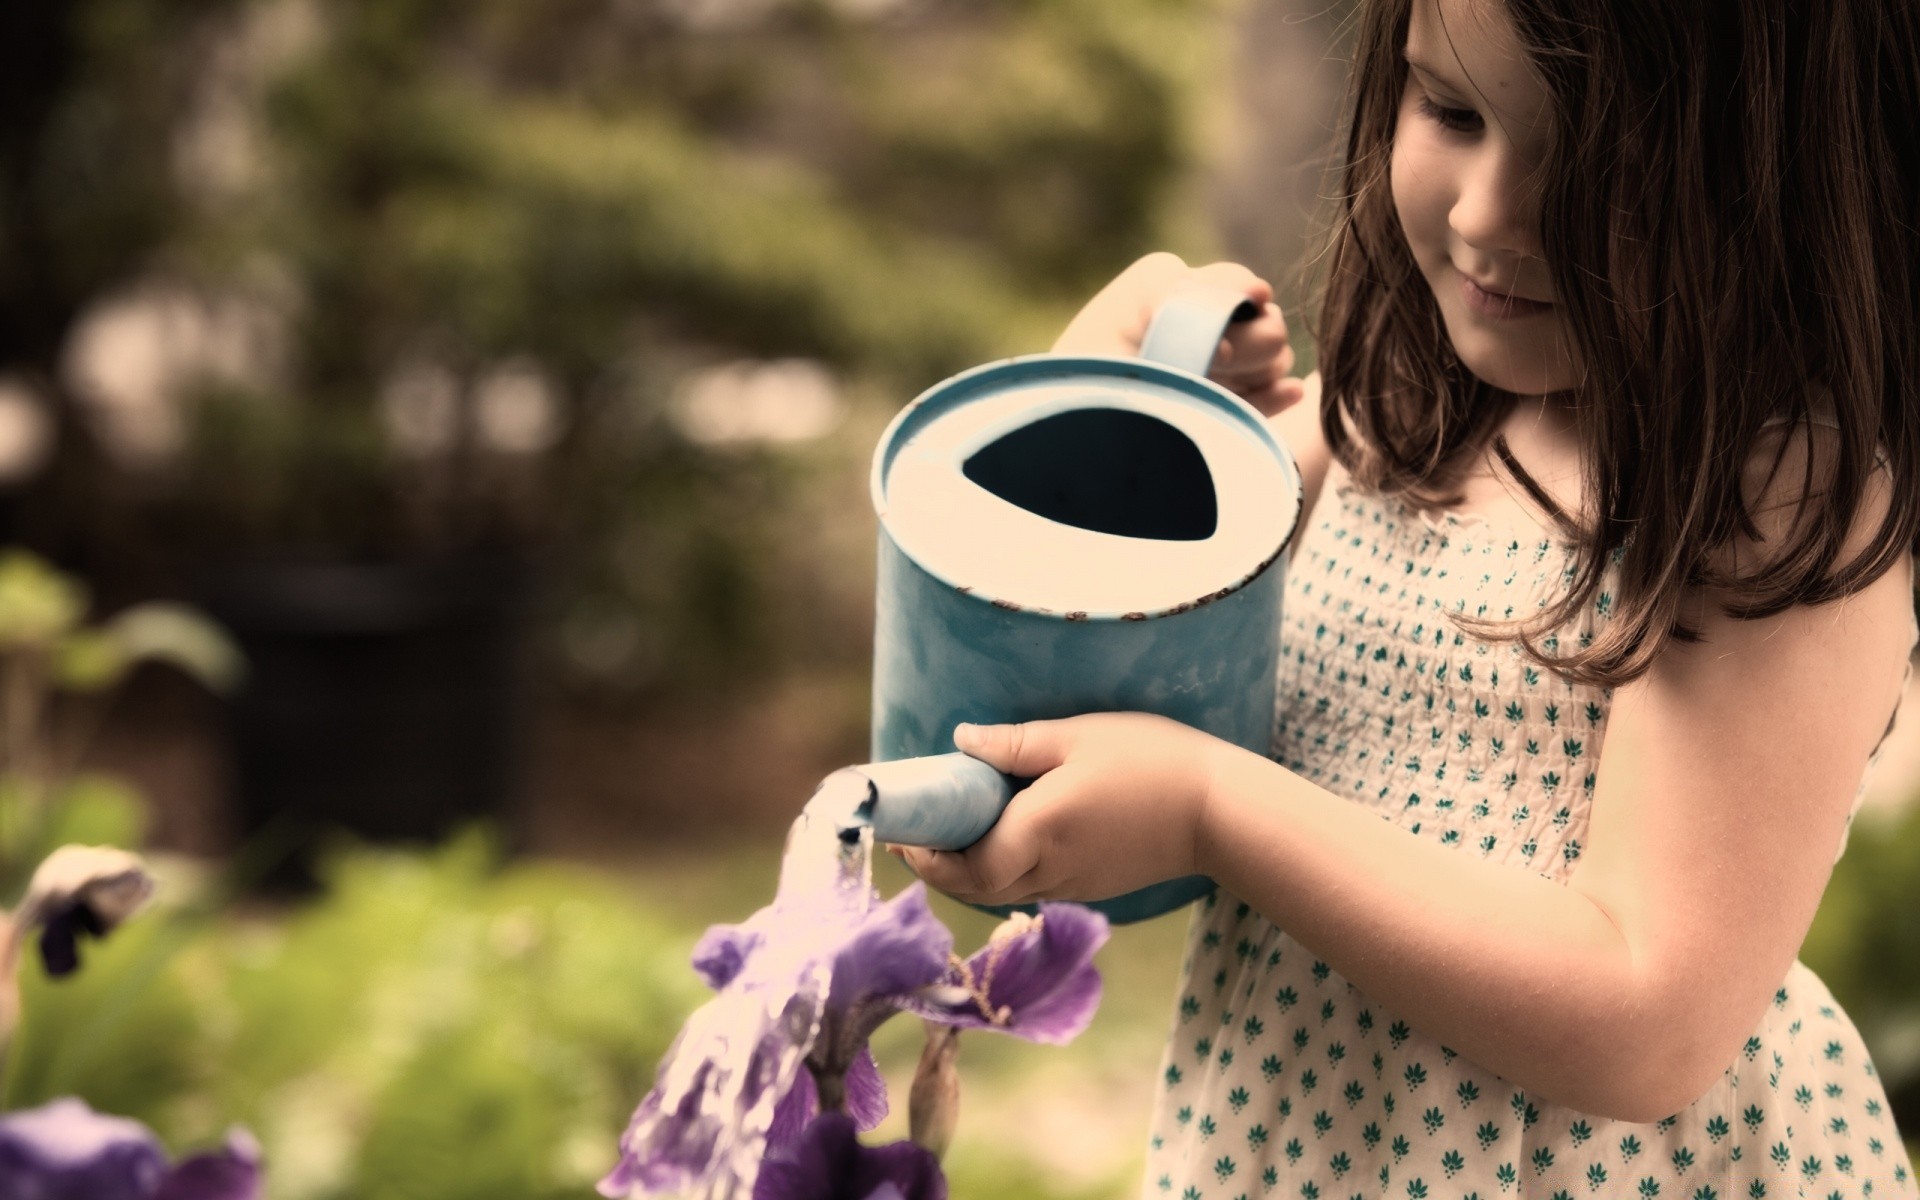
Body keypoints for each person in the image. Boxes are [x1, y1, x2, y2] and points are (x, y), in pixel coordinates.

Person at [888, 0, 1920, 1193]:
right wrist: (1112, 411)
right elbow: (1074, 649)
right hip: (1302, 1143)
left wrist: (1213, 811)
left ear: (1786, 174)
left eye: (1600, 160)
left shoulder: (1772, 496)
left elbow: (1645, 1017)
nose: (1486, 213)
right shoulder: (1391, 416)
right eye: (1453, 110)